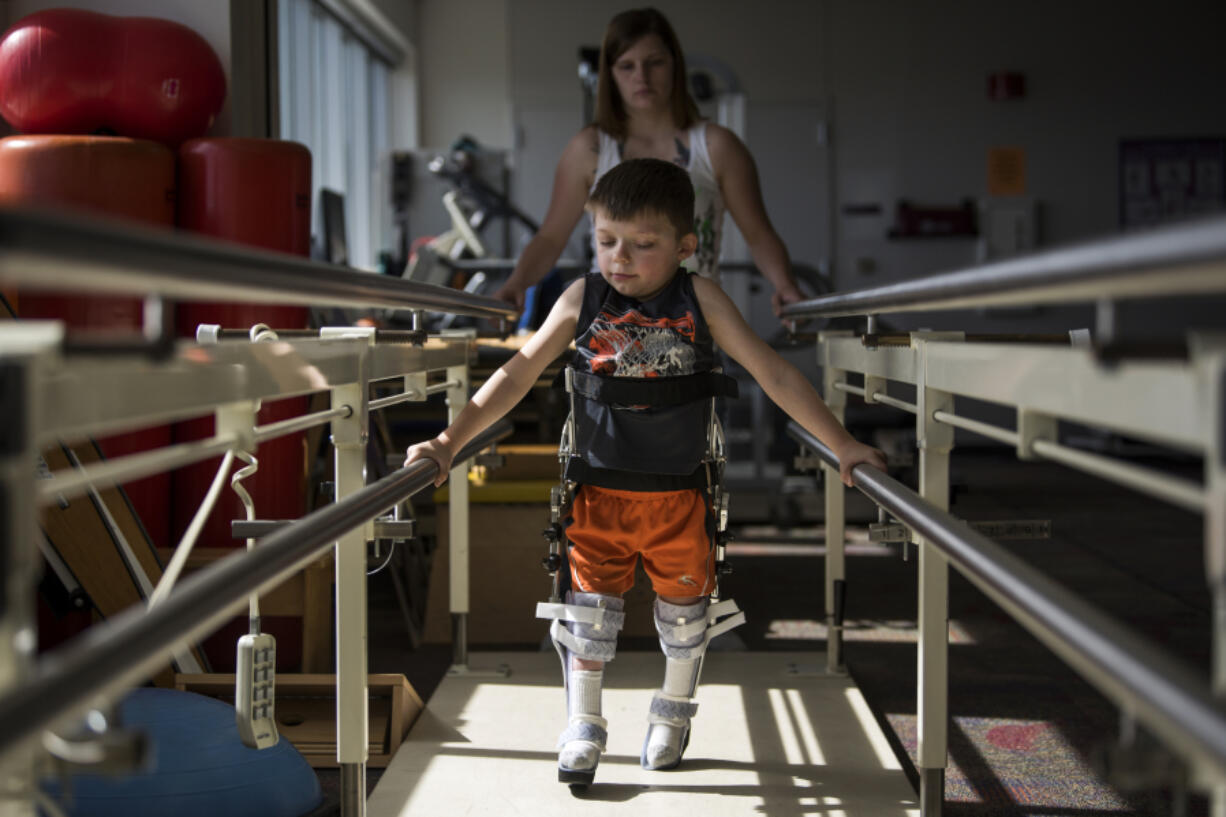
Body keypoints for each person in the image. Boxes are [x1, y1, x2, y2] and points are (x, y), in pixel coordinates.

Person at [405, 159, 885, 785]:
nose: (620, 258)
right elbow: (517, 375)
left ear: (686, 247)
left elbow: (773, 373)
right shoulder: (582, 298)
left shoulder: (701, 298)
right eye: (606, 242)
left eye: (643, 244)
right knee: (587, 616)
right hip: (598, 491)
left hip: (679, 495)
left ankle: (674, 711)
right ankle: (583, 723)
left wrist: (843, 444)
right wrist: (447, 442)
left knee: (686, 616)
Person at [494, 6, 805, 322]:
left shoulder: (717, 147)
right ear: (610, 74)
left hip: (695, 323)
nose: (641, 76)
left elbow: (758, 233)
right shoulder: (589, 150)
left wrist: (786, 286)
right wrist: (517, 284)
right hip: (611, 327)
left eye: (654, 63)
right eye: (626, 66)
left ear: (675, 65)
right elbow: (551, 237)